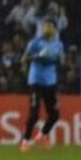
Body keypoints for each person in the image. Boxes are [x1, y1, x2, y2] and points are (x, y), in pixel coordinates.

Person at [20, 19, 64, 152]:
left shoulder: (58, 44)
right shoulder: (35, 43)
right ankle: (25, 141)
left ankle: (43, 135)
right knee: (34, 114)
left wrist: (55, 58)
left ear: (55, 30)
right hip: (36, 81)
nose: (47, 29)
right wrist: (38, 56)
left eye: (50, 27)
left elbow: (62, 61)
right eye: (46, 27)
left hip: (51, 82)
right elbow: (24, 59)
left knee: (55, 114)